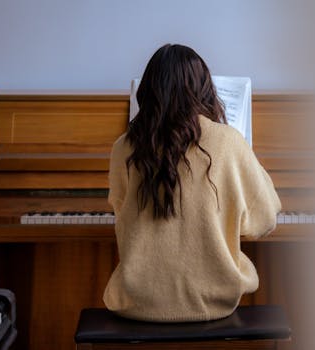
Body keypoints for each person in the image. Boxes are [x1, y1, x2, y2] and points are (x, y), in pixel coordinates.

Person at [103, 44, 281, 322]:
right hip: (214, 303)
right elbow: (265, 220)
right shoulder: (228, 141)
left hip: (137, 303)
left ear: (148, 91)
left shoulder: (123, 147)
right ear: (203, 89)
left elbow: (121, 215)